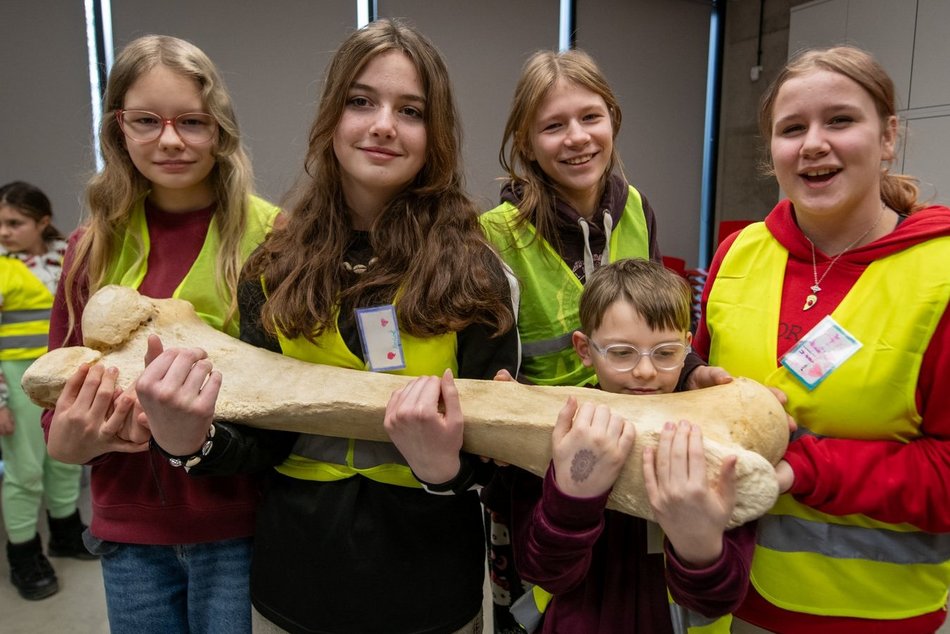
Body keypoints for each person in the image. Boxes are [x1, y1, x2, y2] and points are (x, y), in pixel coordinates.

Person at [135, 19, 518, 634]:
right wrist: (187, 439)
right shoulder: (274, 267)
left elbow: (503, 459)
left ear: (435, 133)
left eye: (411, 110)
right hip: (297, 587)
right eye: (360, 101)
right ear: (330, 119)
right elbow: (257, 440)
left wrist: (443, 468)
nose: (383, 124)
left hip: (430, 593)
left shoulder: (477, 275)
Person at [694, 45, 950, 633]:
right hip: (729, 597)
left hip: (873, 613)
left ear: (887, 137)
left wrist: (805, 468)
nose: (813, 143)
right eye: (792, 129)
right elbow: (700, 383)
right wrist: (689, 380)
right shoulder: (739, 253)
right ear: (774, 153)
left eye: (839, 120)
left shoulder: (938, 277)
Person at [478, 48, 728, 630]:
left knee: (634, 599)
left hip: (637, 442)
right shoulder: (494, 234)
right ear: (526, 139)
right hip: (545, 469)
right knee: (547, 603)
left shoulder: (636, 207)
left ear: (613, 118)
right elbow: (488, 365)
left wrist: (690, 370)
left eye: (590, 117)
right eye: (553, 125)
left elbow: (656, 321)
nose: (577, 138)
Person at [42, 35, 280, 633]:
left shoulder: (278, 240)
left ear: (220, 129)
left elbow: (286, 399)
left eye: (192, 122)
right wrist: (70, 438)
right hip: (131, 531)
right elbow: (57, 412)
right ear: (117, 127)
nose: (170, 140)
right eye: (146, 120)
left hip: (241, 526)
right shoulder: (89, 249)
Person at [476, 258, 751, 633]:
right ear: (585, 349)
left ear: (687, 348)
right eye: (622, 353)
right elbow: (542, 571)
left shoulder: (714, 439)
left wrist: (698, 542)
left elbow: (720, 598)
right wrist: (571, 498)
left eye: (665, 352)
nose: (645, 371)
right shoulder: (559, 432)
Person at [0, 181, 95, 601]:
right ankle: (24, 555)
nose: (4, 231)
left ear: (42, 222)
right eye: (0, 223)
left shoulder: (67, 257)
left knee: (65, 459)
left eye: (14, 223)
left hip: (61, 374)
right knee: (25, 471)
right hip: (14, 379)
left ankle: (66, 534)